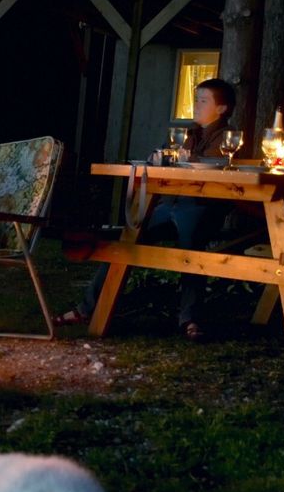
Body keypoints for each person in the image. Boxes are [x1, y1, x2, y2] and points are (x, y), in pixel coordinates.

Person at [54, 78, 237, 341]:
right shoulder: (187, 132)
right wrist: (160, 158)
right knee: (126, 241)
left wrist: (185, 160)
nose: (196, 105)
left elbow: (216, 167)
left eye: (203, 100)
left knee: (192, 252)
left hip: (199, 206)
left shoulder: (227, 137)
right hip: (169, 203)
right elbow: (162, 155)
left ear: (221, 109)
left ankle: (190, 318)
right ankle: (87, 308)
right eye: (196, 99)